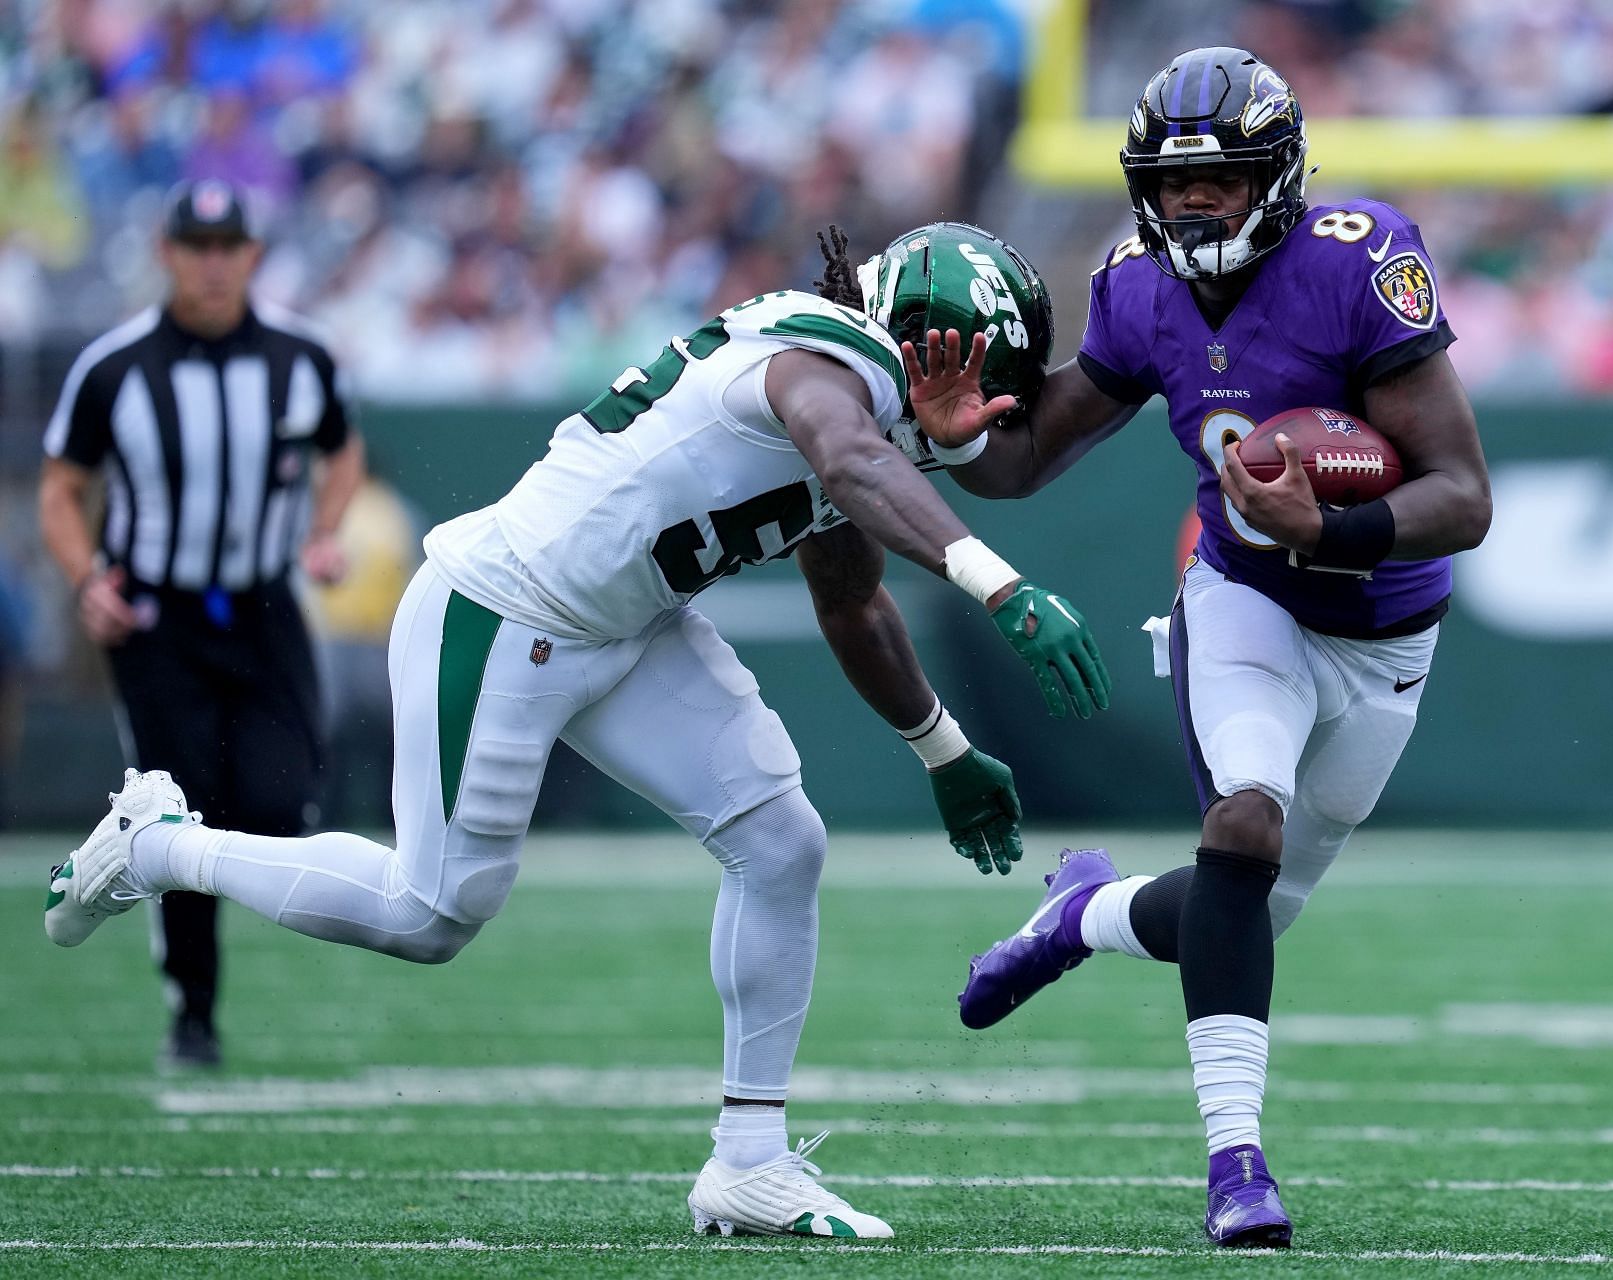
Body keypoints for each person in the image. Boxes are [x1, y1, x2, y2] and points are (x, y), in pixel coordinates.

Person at [46, 222, 1111, 1240]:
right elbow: (846, 460)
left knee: (781, 839)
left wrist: (942, 746)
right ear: (933, 341)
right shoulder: (825, 357)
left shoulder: (866, 407)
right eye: (989, 378)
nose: (991, 415)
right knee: (431, 912)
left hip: (630, 624)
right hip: (505, 611)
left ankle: (749, 1161)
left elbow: (848, 597)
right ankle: (155, 842)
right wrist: (1001, 584)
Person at [905, 49, 1492, 1247]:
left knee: (1246, 913)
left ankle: (1081, 913)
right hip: (1244, 598)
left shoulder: (1355, 263)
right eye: (1172, 187)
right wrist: (957, 439)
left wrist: (1336, 524)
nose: (1192, 205)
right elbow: (1023, 463)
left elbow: (1465, 496)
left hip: (1385, 633)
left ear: (1273, 176)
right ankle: (1237, 1164)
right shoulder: (1136, 287)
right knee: (1242, 829)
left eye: (1219, 180)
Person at [38, 178, 365, 1070]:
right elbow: (61, 486)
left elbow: (344, 449)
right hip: (159, 618)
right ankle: (192, 1013)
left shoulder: (303, 354)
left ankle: (156, 881)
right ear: (169, 254)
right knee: (179, 812)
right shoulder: (115, 366)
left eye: (229, 248)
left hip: (264, 607)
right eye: (197, 247)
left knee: (278, 802)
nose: (213, 266)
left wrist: (327, 532)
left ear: (252, 256)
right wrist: (84, 580)